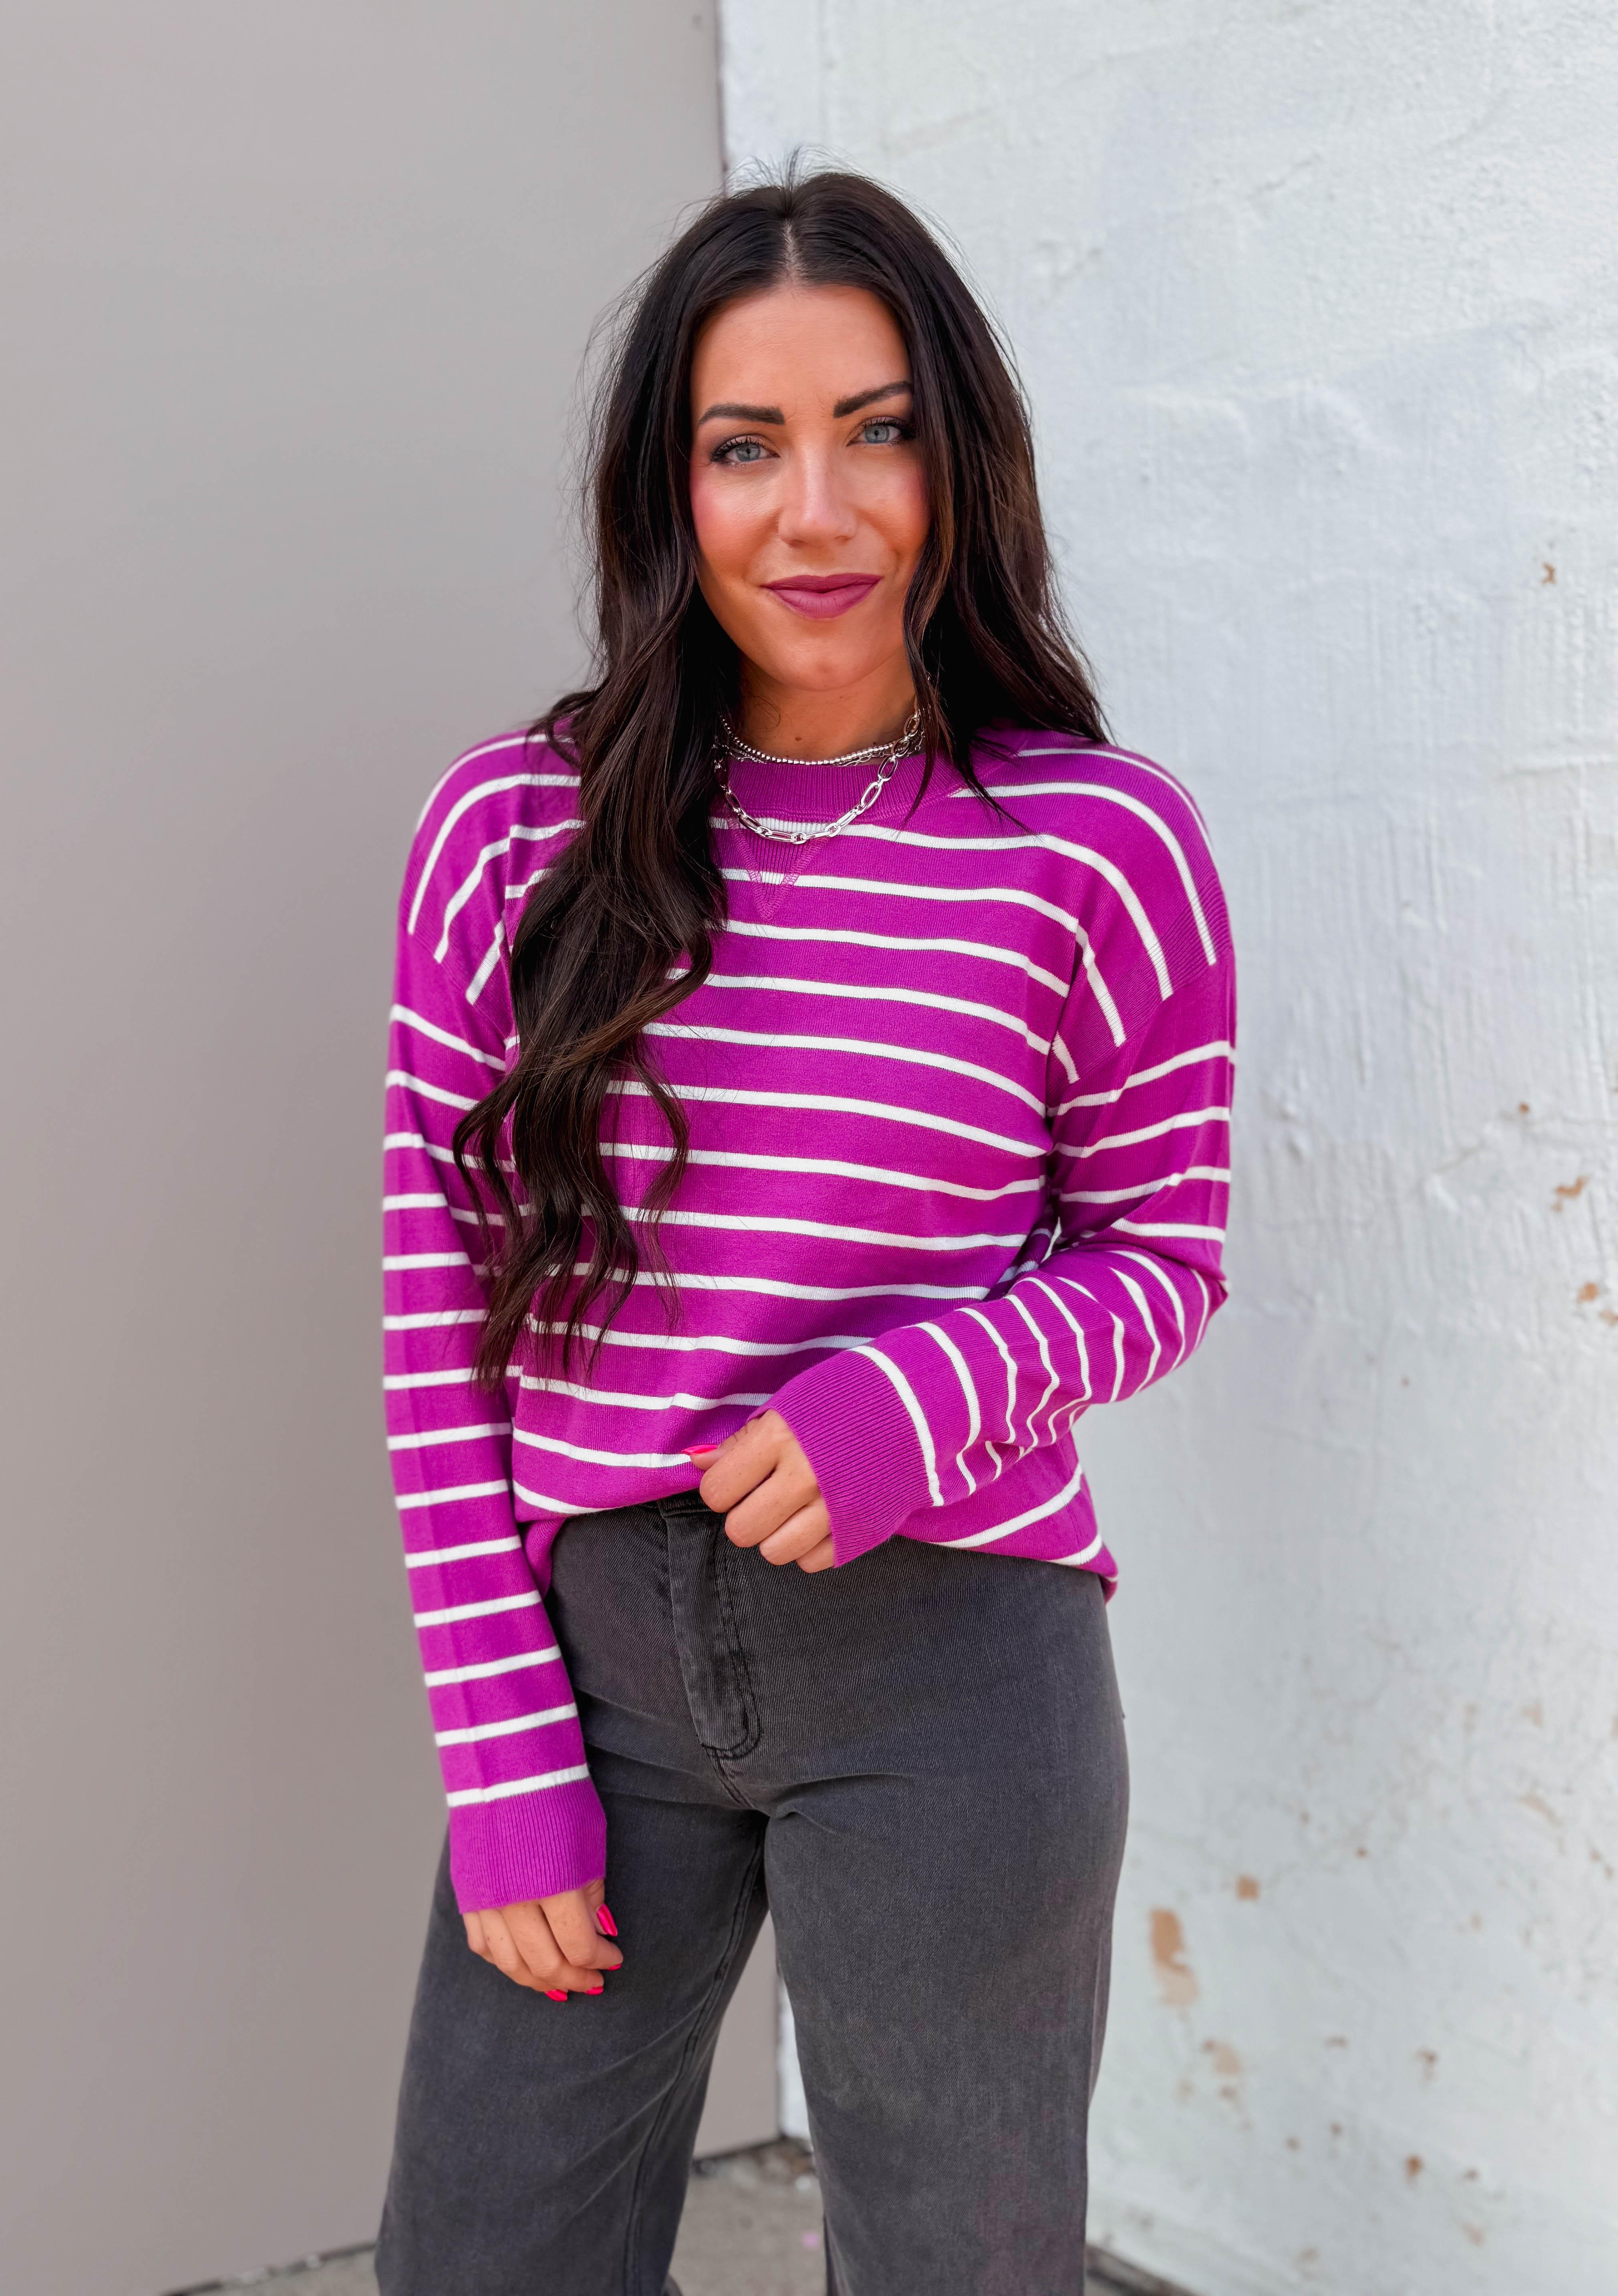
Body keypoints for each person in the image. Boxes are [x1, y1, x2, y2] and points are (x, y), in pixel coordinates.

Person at [375, 168, 1234, 2296]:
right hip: (590, 1661)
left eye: (879, 431)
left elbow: (1163, 1253)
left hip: (957, 1656)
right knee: (484, 2256)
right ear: (670, 489)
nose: (817, 512)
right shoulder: (511, 834)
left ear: (960, 458)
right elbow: (436, 1312)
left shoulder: (1097, 845)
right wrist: (502, 1759)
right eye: (746, 446)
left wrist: (911, 1403)